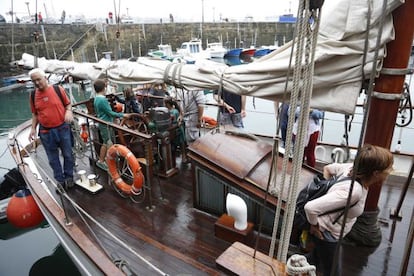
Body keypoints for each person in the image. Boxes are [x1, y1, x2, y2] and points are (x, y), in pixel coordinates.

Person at [304, 144, 393, 276]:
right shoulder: (353, 192)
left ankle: (291, 267)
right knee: (333, 272)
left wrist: (329, 193)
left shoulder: (350, 168)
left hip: (330, 232)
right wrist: (315, 227)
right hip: (327, 234)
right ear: (375, 173)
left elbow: (328, 169)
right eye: (388, 169)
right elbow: (310, 208)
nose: (390, 171)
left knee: (313, 261)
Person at [28, 68, 74, 189]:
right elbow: (35, 114)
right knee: (53, 159)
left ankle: (69, 177)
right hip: (46, 131)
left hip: (62, 128)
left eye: (38, 79)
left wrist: (68, 112)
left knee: (68, 154)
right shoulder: (33, 95)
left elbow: (68, 104)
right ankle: (60, 180)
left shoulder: (58, 90)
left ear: (45, 78)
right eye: (34, 81)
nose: (37, 83)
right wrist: (33, 128)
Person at [93, 79, 131, 170]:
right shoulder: (102, 100)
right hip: (106, 123)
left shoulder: (96, 98)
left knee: (106, 142)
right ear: (103, 88)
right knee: (106, 142)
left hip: (103, 122)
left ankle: (106, 159)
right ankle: (102, 161)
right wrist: (123, 115)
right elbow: (111, 113)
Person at [164, 96, 187, 163]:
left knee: (181, 142)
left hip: (177, 130)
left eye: (165, 103)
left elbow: (174, 122)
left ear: (167, 104)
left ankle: (182, 156)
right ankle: (182, 156)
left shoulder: (174, 112)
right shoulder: (173, 111)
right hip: (173, 129)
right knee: (180, 143)